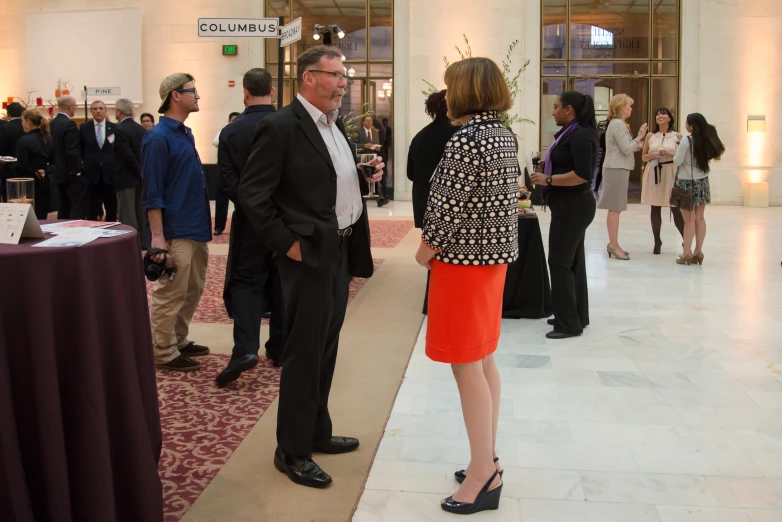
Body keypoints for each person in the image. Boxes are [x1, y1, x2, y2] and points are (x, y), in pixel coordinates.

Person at [239, 45, 383, 488]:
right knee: (304, 354)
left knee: (326, 347)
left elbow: (319, 179)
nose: (344, 83)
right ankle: (293, 450)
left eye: (344, 75)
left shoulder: (334, 125)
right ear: (308, 78)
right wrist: (287, 245)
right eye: (336, 75)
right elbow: (254, 195)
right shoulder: (279, 126)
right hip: (307, 256)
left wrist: (359, 175)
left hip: (336, 251)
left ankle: (316, 431)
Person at [415, 57, 517, 515]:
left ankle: (483, 474)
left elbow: (447, 206)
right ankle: (487, 458)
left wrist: (426, 247)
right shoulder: (502, 133)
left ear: (466, 91)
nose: (448, 92)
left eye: (452, 85)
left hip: (463, 262)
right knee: (483, 361)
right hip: (491, 261)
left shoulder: (467, 138)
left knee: (465, 367)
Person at [215, 68, 285, 386]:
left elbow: (228, 183)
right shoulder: (289, 126)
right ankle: (281, 348)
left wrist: (251, 206)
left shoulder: (231, 132)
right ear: (271, 91)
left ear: (245, 92)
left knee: (245, 281)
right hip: (285, 218)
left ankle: (245, 349)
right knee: (282, 280)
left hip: (248, 220)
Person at [142, 72, 212, 372]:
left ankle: (178, 338)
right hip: (176, 229)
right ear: (175, 95)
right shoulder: (158, 138)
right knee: (171, 292)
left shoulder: (184, 133)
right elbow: (152, 191)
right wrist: (158, 238)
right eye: (192, 91)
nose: (197, 96)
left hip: (196, 225)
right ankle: (162, 350)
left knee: (192, 287)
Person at [531, 91, 598, 340]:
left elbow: (582, 175)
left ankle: (568, 324)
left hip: (574, 206)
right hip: (570, 205)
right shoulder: (573, 133)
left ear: (569, 109)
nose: (553, 111)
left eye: (556, 107)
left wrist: (548, 179)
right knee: (572, 262)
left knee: (559, 263)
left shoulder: (580, 136)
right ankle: (574, 313)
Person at [407, 89, 459, 314]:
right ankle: (445, 302)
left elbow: (410, 173)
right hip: (449, 203)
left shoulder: (420, 135)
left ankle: (434, 298)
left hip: (423, 198)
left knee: (433, 252)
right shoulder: (460, 135)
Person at [597, 94, 647, 260]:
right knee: (615, 207)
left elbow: (627, 147)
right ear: (620, 107)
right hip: (616, 168)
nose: (631, 109)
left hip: (618, 167)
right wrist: (640, 137)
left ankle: (614, 243)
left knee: (616, 208)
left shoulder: (618, 124)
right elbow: (626, 148)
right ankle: (613, 244)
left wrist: (637, 141)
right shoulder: (618, 124)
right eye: (628, 106)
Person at [673, 113, 725, 265]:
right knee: (700, 218)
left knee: (689, 220)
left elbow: (677, 161)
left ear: (692, 126)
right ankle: (698, 251)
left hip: (686, 183)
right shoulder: (707, 139)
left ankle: (686, 253)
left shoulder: (686, 141)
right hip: (702, 182)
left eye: (686, 123)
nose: (685, 125)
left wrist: (676, 148)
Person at [640, 108, 684, 254]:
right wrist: (653, 155)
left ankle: (686, 240)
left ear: (670, 118)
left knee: (675, 208)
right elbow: (643, 157)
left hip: (671, 171)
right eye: (657, 114)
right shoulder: (650, 136)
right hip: (654, 172)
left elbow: (683, 157)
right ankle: (657, 241)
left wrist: (670, 152)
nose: (660, 116)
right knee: (655, 207)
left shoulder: (677, 136)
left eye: (663, 113)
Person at [113, 98, 149, 249]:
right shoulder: (141, 129)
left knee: (127, 213)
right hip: (141, 177)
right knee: (140, 212)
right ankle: (144, 242)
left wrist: (138, 170)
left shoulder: (119, 130)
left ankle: (129, 245)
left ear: (119, 112)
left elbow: (126, 154)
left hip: (126, 177)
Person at [13, 109, 55, 218]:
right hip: (44, 182)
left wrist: (9, 165)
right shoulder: (49, 139)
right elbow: (55, 164)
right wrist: (44, 170)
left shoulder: (23, 141)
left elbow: (22, 166)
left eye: (22, 121)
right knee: (41, 216)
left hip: (28, 184)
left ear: (28, 122)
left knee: (29, 216)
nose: (21, 123)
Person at [50, 96, 87, 219]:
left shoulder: (52, 123)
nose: (75, 109)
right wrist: (77, 171)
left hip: (57, 172)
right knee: (77, 205)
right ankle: (75, 231)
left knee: (63, 206)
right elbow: (72, 150)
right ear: (70, 106)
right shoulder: (69, 124)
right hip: (71, 173)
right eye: (75, 106)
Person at [81, 100, 117, 222]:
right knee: (92, 207)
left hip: (110, 173)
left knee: (111, 207)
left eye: (101, 108)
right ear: (91, 111)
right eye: (95, 109)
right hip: (91, 174)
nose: (98, 111)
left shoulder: (114, 128)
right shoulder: (84, 128)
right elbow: (81, 149)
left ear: (105, 111)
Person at [210, 111, 239, 235]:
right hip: (223, 172)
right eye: (232, 120)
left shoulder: (241, 132)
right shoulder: (224, 132)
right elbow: (216, 142)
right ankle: (219, 226)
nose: (234, 123)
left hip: (238, 173)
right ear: (228, 121)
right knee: (221, 200)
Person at [353, 115, 388, 207]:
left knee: (375, 178)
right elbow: (354, 144)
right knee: (364, 178)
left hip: (373, 158)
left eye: (370, 120)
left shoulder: (375, 132)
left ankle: (379, 198)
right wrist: (364, 145)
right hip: (362, 159)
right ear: (363, 122)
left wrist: (377, 147)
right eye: (367, 120)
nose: (369, 122)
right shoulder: (358, 131)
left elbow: (376, 143)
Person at [0, 103, 25, 203]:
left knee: (10, 198)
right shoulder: (27, 126)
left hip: (8, 168)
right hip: (26, 167)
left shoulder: (5, 127)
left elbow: (2, 148)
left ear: (8, 113)